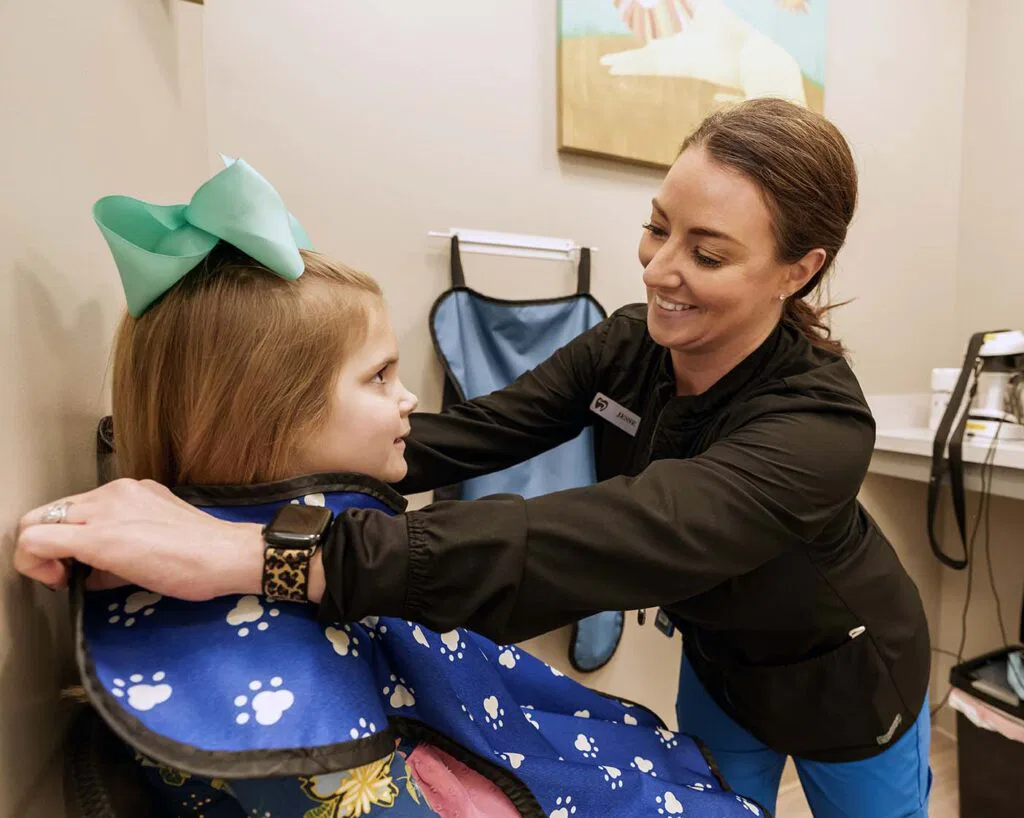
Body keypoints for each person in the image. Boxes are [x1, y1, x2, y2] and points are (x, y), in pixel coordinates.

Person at [17, 99, 932, 817]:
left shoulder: (819, 428)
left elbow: (601, 537)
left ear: (798, 269)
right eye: (657, 227)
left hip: (846, 675)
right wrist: (223, 458)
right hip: (720, 660)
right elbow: (474, 435)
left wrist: (278, 558)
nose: (657, 269)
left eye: (708, 252)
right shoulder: (627, 346)